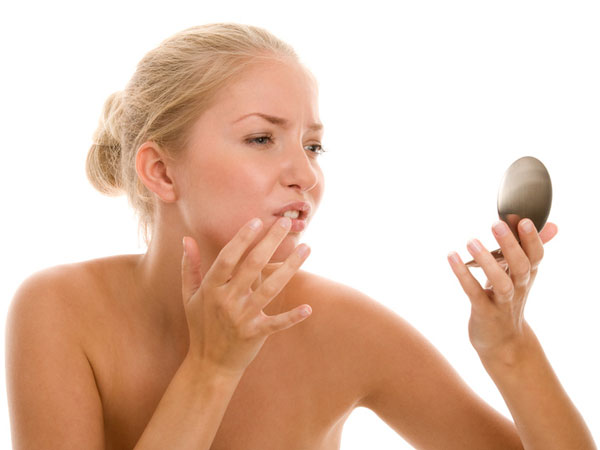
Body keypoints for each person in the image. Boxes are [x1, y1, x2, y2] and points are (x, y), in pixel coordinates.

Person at [5, 22, 596, 450]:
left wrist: (510, 347)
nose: (306, 175)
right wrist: (211, 369)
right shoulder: (59, 311)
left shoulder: (345, 328)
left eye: (313, 145)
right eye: (262, 138)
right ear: (160, 171)